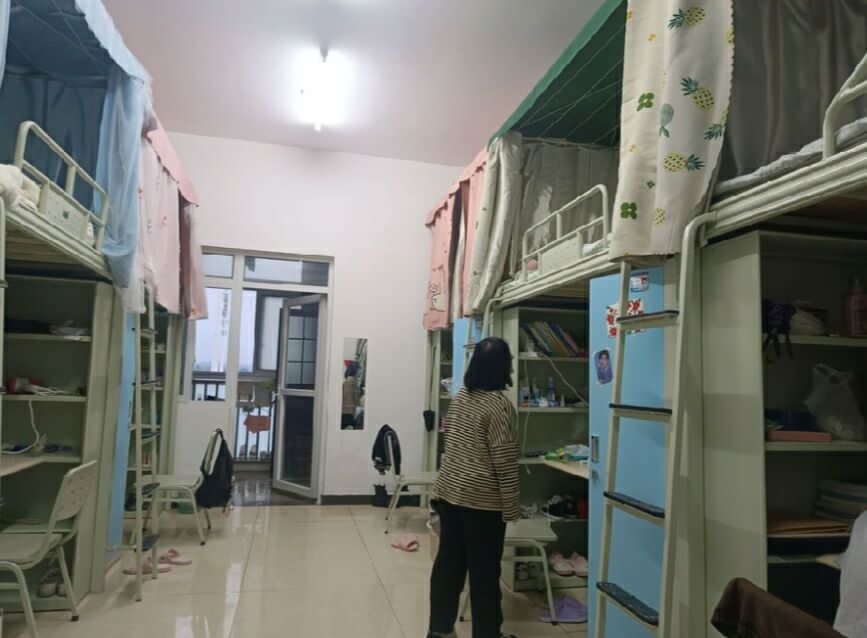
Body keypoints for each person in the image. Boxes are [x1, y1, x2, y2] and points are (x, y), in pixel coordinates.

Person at [428, 337, 520, 638]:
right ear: (503, 367)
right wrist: (511, 508)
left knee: (448, 567)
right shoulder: (499, 406)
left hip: (449, 494)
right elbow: (504, 462)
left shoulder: (460, 399)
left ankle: (439, 631)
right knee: (484, 576)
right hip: (482, 504)